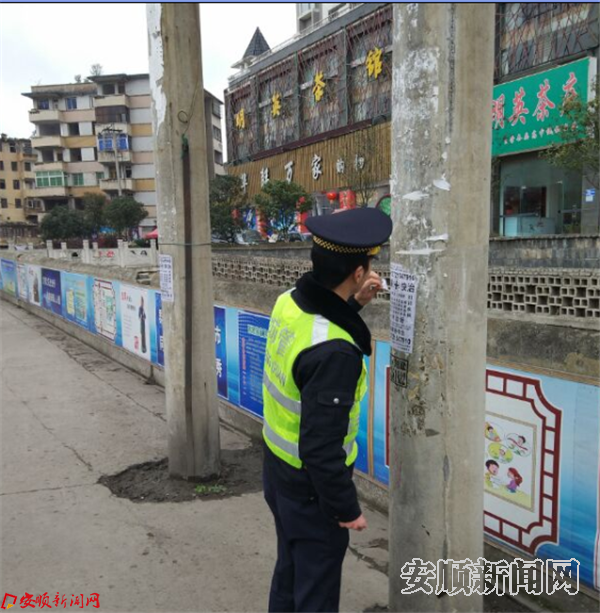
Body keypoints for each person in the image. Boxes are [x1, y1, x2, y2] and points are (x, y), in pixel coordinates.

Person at [262, 207, 392, 613]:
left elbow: (316, 330)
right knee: (315, 592)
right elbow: (320, 447)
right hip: (310, 491)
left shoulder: (288, 302)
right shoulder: (336, 353)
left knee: (290, 571)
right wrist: (345, 508)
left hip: (277, 470)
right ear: (358, 272)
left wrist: (354, 304)